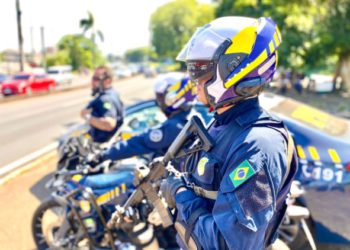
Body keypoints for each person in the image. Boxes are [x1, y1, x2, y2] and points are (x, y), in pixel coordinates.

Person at [160, 16, 298, 250]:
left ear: (233, 68)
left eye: (199, 69)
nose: (192, 78)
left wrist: (179, 194)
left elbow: (230, 244)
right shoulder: (223, 125)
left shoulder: (258, 145)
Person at [91, 72, 197, 164]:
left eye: (160, 97)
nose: (158, 102)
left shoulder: (175, 126)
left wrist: (103, 155)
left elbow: (141, 142)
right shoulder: (189, 117)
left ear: (173, 97)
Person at [81, 65, 124, 144]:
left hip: (106, 148)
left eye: (96, 79)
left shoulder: (105, 99)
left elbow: (109, 124)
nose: (92, 82)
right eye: (93, 78)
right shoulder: (112, 94)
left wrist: (87, 116)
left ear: (108, 81)